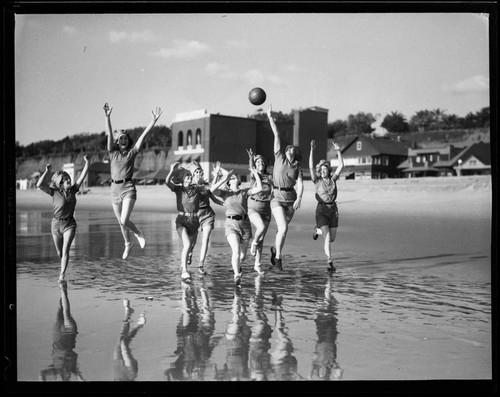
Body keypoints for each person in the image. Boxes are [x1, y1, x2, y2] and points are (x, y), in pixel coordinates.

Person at [103, 102, 162, 260]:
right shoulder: (112, 153)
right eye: (120, 138)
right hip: (114, 190)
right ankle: (128, 243)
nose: (123, 140)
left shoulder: (132, 152)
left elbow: (143, 136)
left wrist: (153, 122)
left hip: (128, 187)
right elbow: (109, 134)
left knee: (124, 219)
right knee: (121, 223)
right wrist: (107, 117)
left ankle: (138, 233)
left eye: (125, 138)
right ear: (116, 141)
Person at [36, 155, 90, 282]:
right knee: (60, 253)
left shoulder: (74, 190)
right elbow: (39, 184)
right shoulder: (54, 192)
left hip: (69, 224)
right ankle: (63, 266)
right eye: (65, 179)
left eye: (68, 178)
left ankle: (61, 276)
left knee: (66, 250)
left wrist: (87, 162)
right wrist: (47, 172)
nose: (68, 180)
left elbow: (83, 175)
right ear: (60, 183)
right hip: (55, 225)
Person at [210, 162, 263, 285]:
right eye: (232, 178)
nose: (234, 178)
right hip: (231, 224)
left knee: (242, 256)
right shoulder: (225, 193)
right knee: (236, 251)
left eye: (234, 178)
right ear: (229, 183)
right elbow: (212, 190)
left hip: (245, 224)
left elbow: (259, 188)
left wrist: (255, 174)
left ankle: (238, 268)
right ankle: (236, 275)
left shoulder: (244, 192)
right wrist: (224, 177)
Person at [266, 104, 304, 271]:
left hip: (291, 199)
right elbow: (276, 134)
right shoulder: (279, 157)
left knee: (283, 231)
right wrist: (270, 117)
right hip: (277, 197)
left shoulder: (297, 166)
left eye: (292, 149)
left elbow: (301, 184)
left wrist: (300, 199)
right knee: (283, 228)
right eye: (287, 148)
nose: (289, 149)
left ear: (295, 153)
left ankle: (274, 249)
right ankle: (279, 257)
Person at [165, 162, 209, 282]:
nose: (190, 177)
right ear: (183, 179)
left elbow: (210, 189)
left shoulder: (197, 189)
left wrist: (221, 179)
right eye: (188, 176)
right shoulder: (178, 189)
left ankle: (186, 258)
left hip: (194, 221)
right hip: (182, 221)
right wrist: (172, 171)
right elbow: (167, 182)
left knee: (191, 245)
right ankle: (184, 271)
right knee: (187, 244)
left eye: (191, 176)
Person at [309, 139, 344, 272]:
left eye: (325, 169)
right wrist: (312, 150)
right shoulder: (316, 181)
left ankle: (317, 230)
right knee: (328, 236)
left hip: (333, 210)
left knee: (332, 238)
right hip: (322, 210)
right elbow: (311, 166)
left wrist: (338, 151)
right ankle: (329, 261)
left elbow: (341, 165)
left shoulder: (333, 179)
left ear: (329, 170)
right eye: (321, 169)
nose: (323, 171)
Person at [39, 282, 85, 381]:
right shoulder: (73, 370)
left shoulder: (54, 370)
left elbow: (41, 374)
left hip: (57, 335)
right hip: (70, 334)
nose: (63, 378)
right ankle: (63, 289)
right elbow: (81, 379)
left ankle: (63, 290)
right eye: (66, 379)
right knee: (66, 313)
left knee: (60, 310)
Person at [188, 161, 223, 276]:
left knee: (206, 239)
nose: (198, 173)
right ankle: (190, 253)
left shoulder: (206, 185)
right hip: (194, 215)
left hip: (207, 214)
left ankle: (201, 265)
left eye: (200, 172)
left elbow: (214, 197)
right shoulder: (190, 185)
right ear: (193, 174)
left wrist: (225, 204)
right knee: (192, 241)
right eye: (196, 172)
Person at [246, 149, 273, 275]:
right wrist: (251, 158)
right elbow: (251, 167)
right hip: (253, 207)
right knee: (260, 228)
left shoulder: (269, 177)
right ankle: (254, 242)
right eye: (258, 162)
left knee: (262, 238)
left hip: (266, 209)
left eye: (262, 162)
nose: (260, 164)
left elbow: (275, 188)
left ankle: (257, 264)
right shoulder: (253, 174)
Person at [113, 299, 146, 381]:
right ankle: (139, 324)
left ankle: (128, 313)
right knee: (123, 342)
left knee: (120, 338)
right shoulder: (131, 374)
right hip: (129, 371)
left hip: (118, 374)